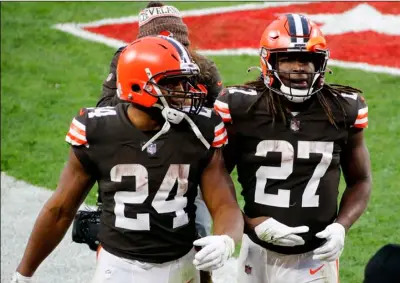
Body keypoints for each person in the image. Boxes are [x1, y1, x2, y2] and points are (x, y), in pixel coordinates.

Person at [11, 36, 243, 283]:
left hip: (181, 265)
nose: (185, 91)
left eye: (185, 81)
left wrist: (225, 239)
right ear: (137, 86)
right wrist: (23, 274)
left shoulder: (201, 129)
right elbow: (60, 210)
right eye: (172, 83)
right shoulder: (99, 131)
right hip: (119, 267)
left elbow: (225, 204)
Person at [214, 14, 372, 283]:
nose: (299, 68)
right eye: (288, 59)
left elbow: (361, 180)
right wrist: (250, 223)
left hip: (315, 254)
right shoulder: (241, 107)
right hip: (256, 249)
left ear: (321, 63)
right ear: (269, 61)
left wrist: (340, 227)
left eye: (308, 60)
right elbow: (214, 177)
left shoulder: (343, 109)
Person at [96, 1, 222, 239]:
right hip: (135, 156)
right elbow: (106, 112)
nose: (174, 52)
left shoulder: (203, 66)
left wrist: (182, 108)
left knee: (201, 238)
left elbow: (218, 121)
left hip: (183, 160)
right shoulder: (126, 60)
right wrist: (148, 101)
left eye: (178, 44)